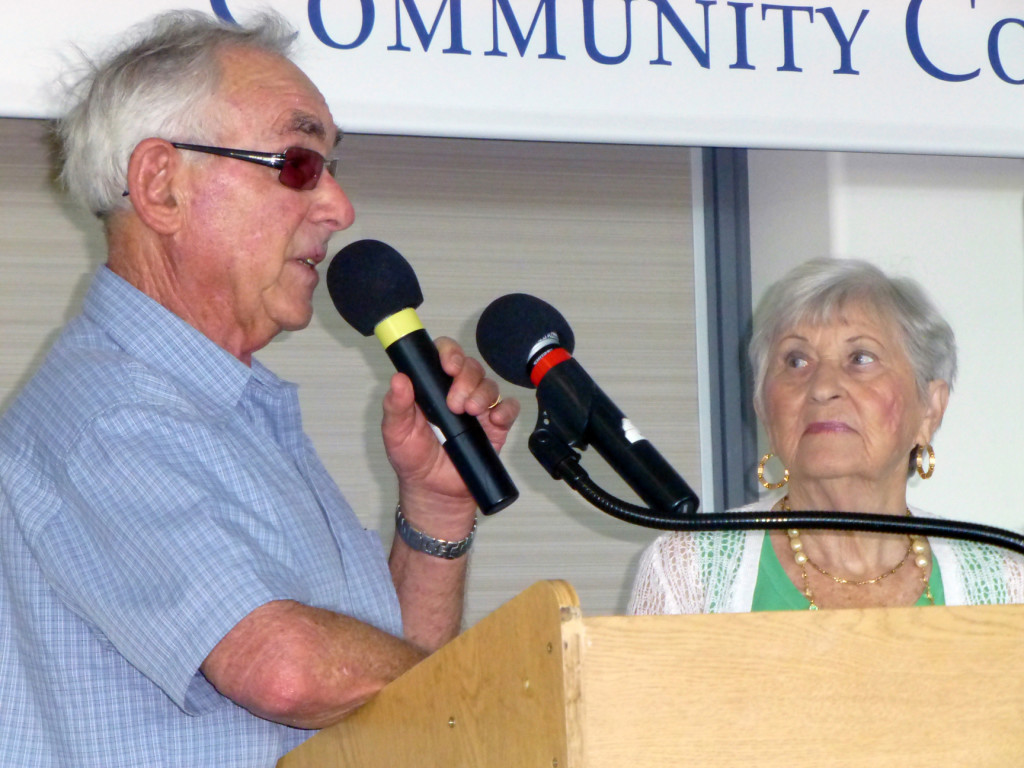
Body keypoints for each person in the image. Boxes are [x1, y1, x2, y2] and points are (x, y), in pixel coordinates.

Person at [0, 10, 519, 766]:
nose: (339, 208)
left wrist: (434, 512)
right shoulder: (107, 415)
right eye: (300, 165)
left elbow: (381, 713)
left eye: (334, 171)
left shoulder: (221, 410)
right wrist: (513, 693)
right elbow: (285, 670)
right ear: (162, 186)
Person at [630, 257, 1024, 615]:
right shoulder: (689, 569)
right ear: (763, 407)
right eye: (796, 361)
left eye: (861, 359)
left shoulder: (1005, 581)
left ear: (930, 407)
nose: (822, 386)